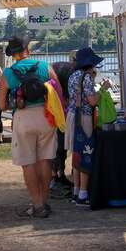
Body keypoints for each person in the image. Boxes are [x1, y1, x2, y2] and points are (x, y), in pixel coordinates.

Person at [0, 36, 59, 218]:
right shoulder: (45, 66)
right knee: (45, 160)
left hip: (23, 117)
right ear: (27, 49)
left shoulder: (9, 73)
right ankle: (45, 201)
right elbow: (58, 91)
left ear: (13, 54)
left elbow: (1, 105)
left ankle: (37, 204)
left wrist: (15, 102)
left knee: (28, 163)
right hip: (46, 116)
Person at [68, 47, 111, 207]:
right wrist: (103, 88)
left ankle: (76, 190)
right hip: (84, 117)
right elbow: (92, 101)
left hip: (72, 115)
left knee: (77, 153)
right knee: (86, 152)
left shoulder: (73, 76)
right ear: (91, 64)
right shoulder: (86, 78)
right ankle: (84, 193)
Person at [50, 51, 76, 190]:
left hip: (51, 112)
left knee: (57, 146)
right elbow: (68, 97)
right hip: (60, 114)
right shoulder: (72, 73)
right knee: (60, 145)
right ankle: (57, 176)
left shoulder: (59, 67)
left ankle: (57, 175)